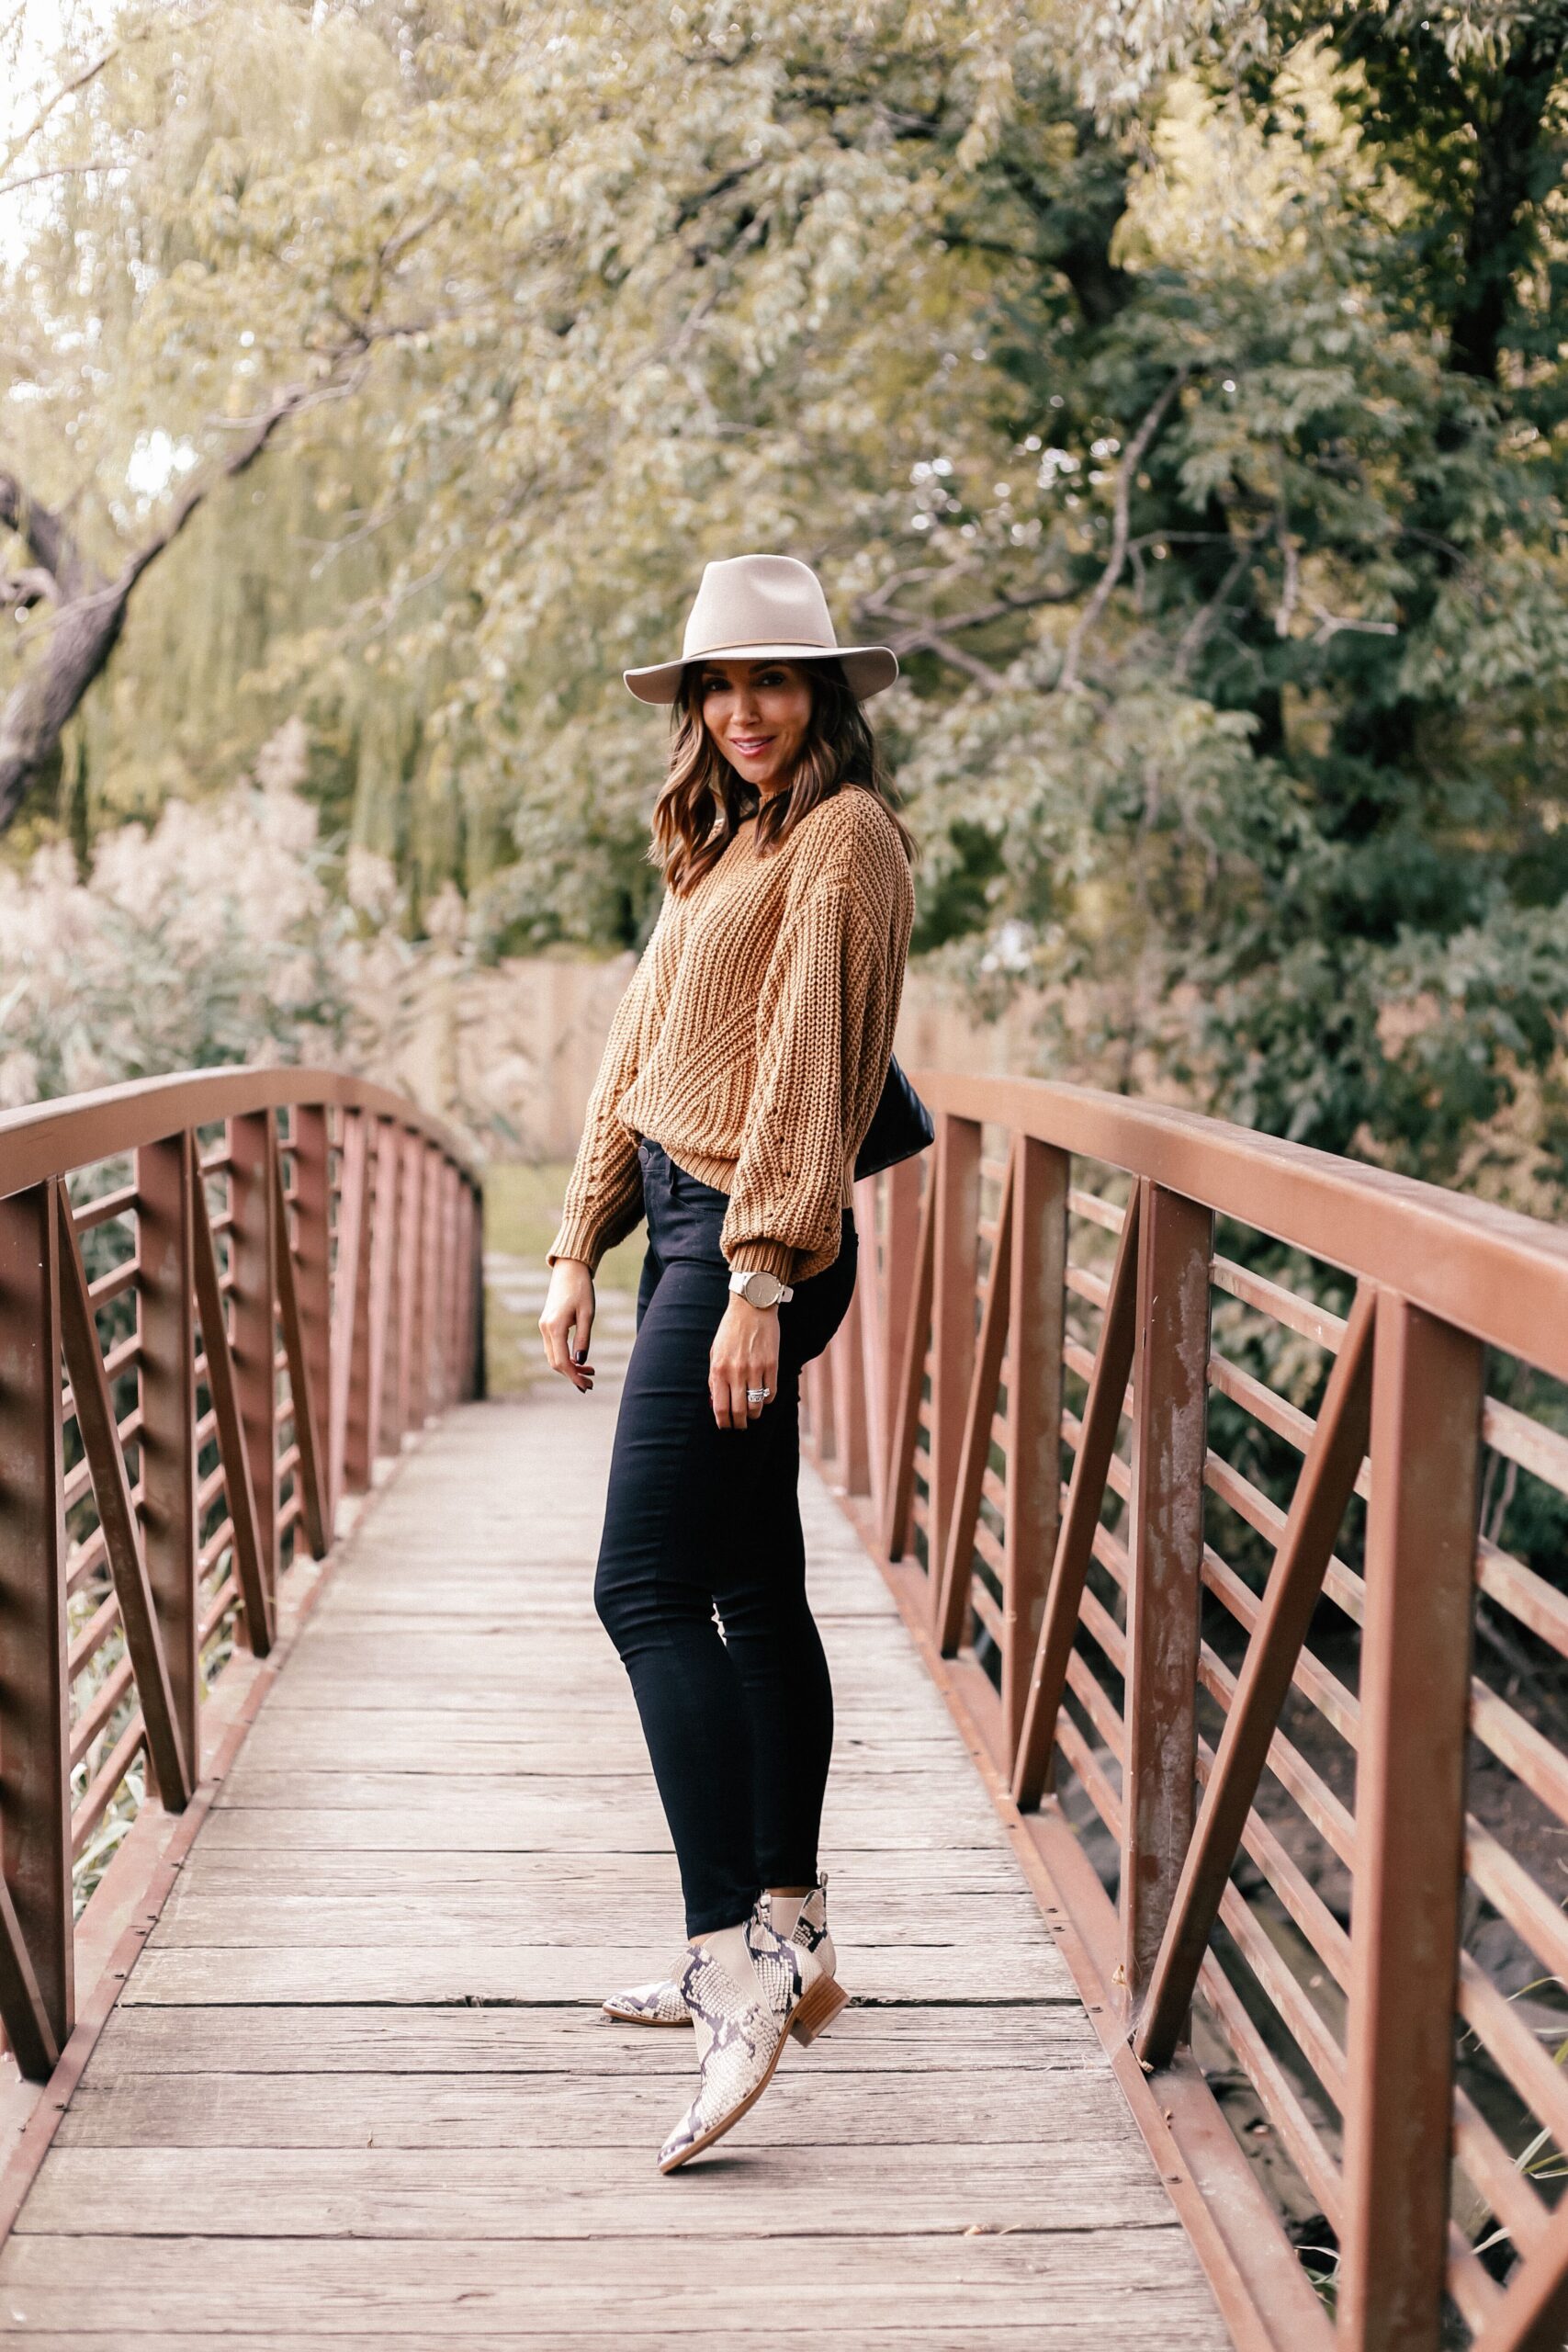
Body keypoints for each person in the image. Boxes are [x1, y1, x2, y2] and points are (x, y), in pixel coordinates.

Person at [538, 553, 917, 2172]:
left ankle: (730, 1972)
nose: (748, 710)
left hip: (753, 1239)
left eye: (777, 682)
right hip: (694, 1222)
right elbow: (642, 1051)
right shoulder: (723, 837)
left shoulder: (845, 839)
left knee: (641, 1589)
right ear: (694, 703)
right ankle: (793, 1929)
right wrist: (576, 1239)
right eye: (722, 684)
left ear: (823, 693)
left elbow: (809, 1068)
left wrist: (759, 1272)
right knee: (750, 1588)